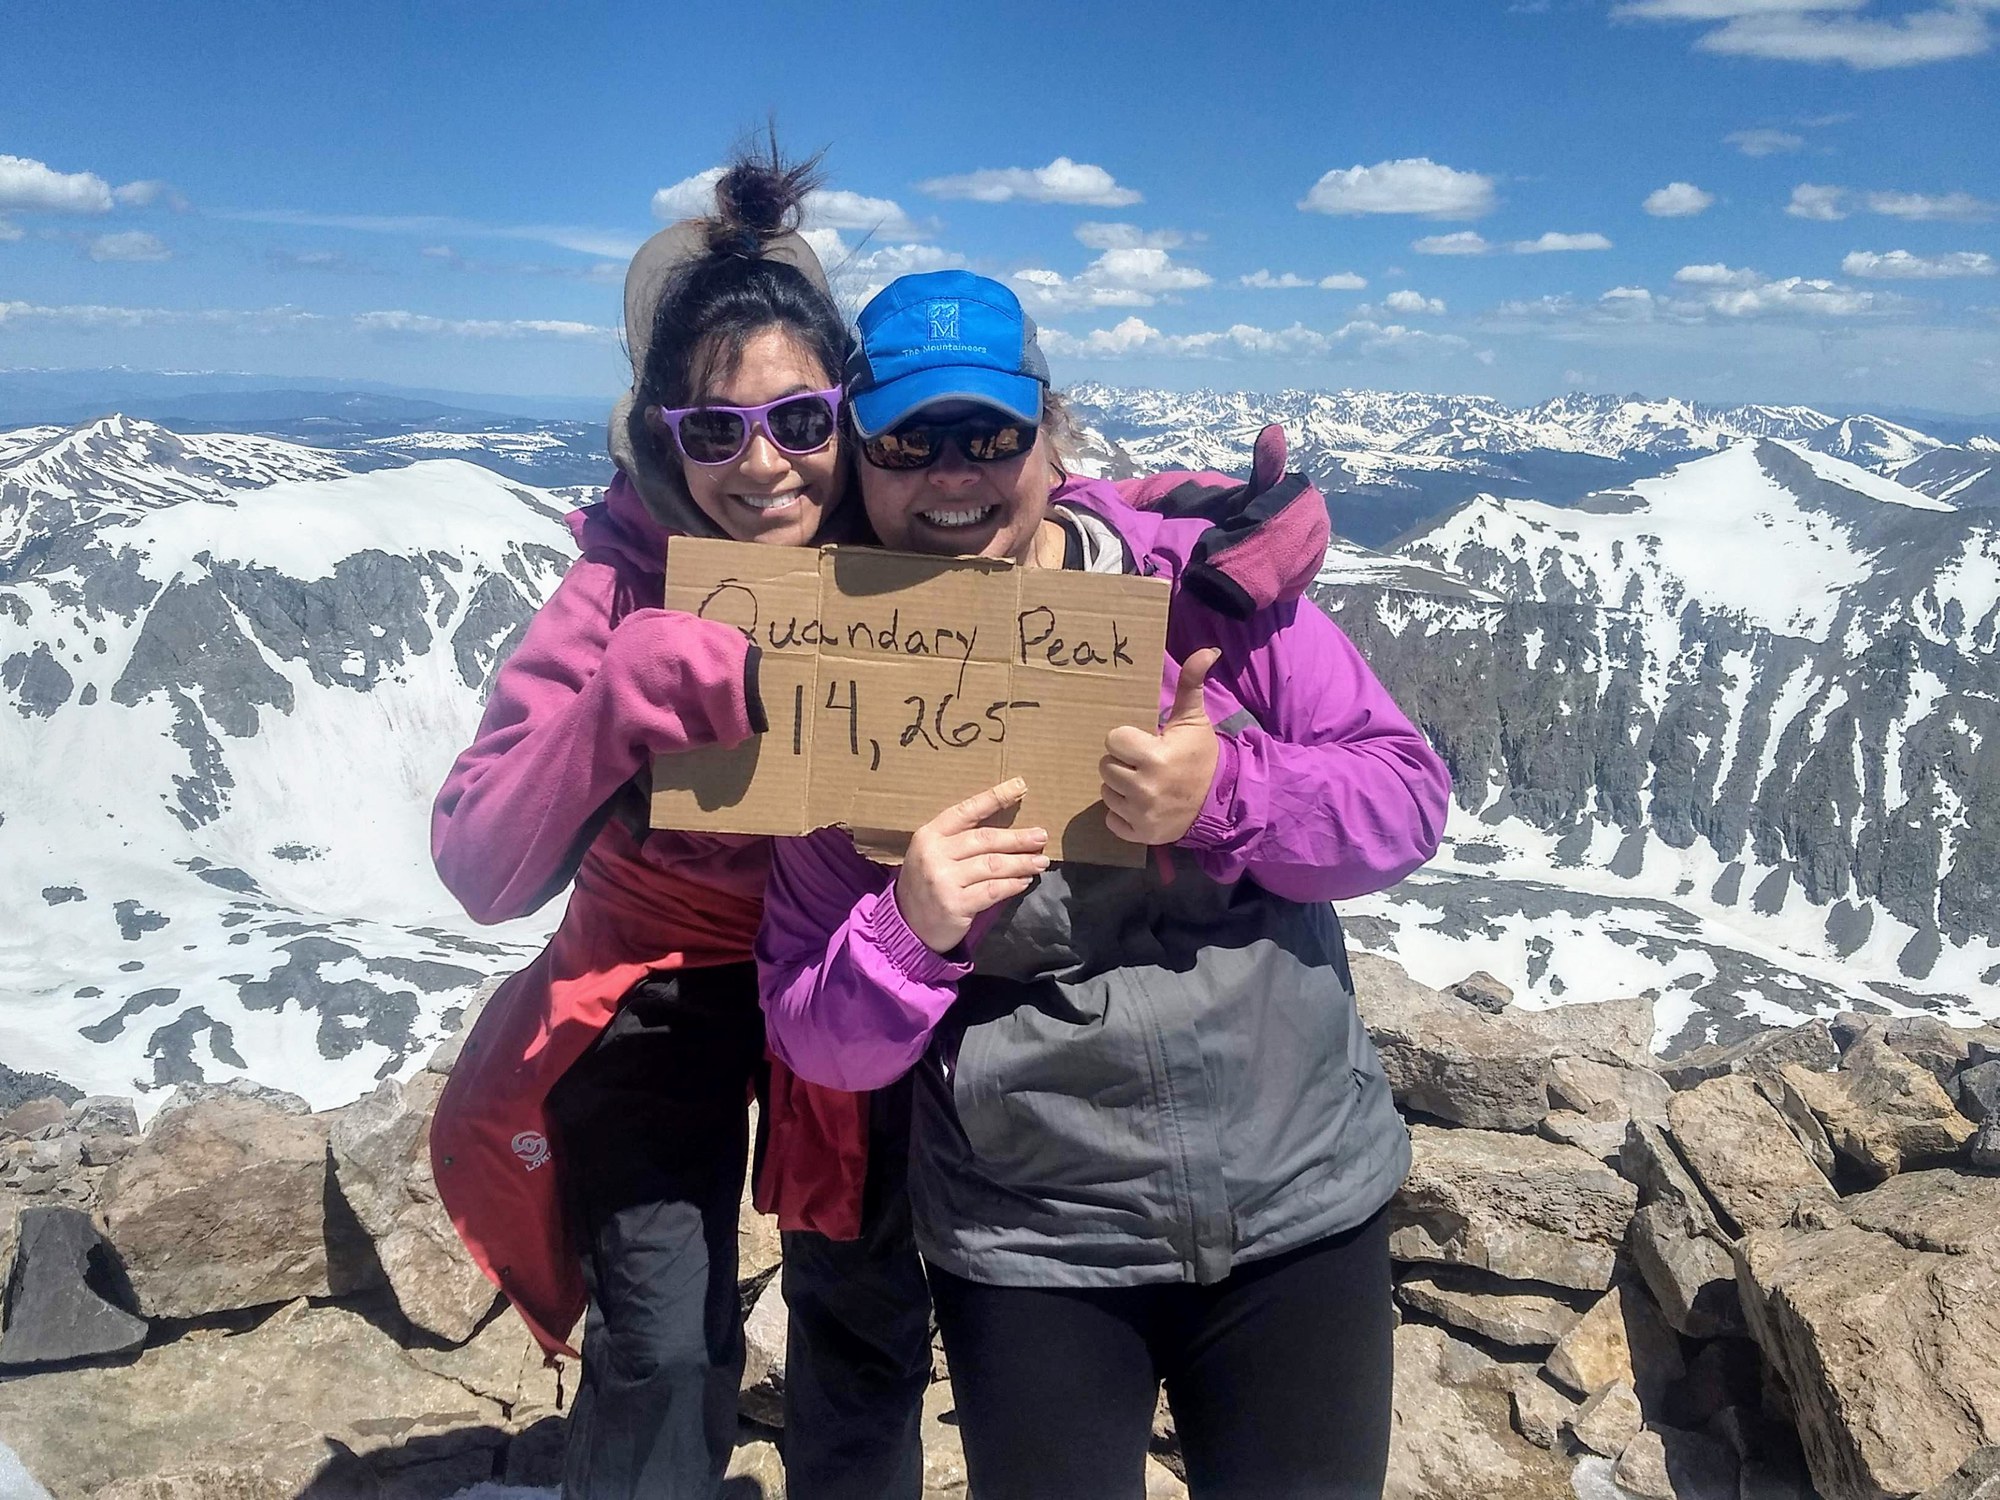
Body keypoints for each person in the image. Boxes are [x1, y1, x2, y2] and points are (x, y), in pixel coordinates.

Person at [757, 270, 1452, 1500]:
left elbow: (1404, 801)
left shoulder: (1202, 591)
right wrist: (909, 930)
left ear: (1047, 431)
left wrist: (1230, 790)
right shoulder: (839, 665)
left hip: (1295, 1196)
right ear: (858, 457)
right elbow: (815, 1034)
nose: (953, 474)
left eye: (988, 434)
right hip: (1034, 1240)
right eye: (908, 441)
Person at [427, 148, 932, 1500]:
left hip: (849, 962)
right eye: (715, 432)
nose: (763, 465)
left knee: (866, 1314)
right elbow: (478, 859)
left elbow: (1052, 527)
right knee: (660, 1344)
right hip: (656, 983)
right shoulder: (616, 584)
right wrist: (617, 700)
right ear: (663, 437)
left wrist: (1213, 567)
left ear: (847, 418)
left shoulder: (901, 547)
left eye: (802, 420)